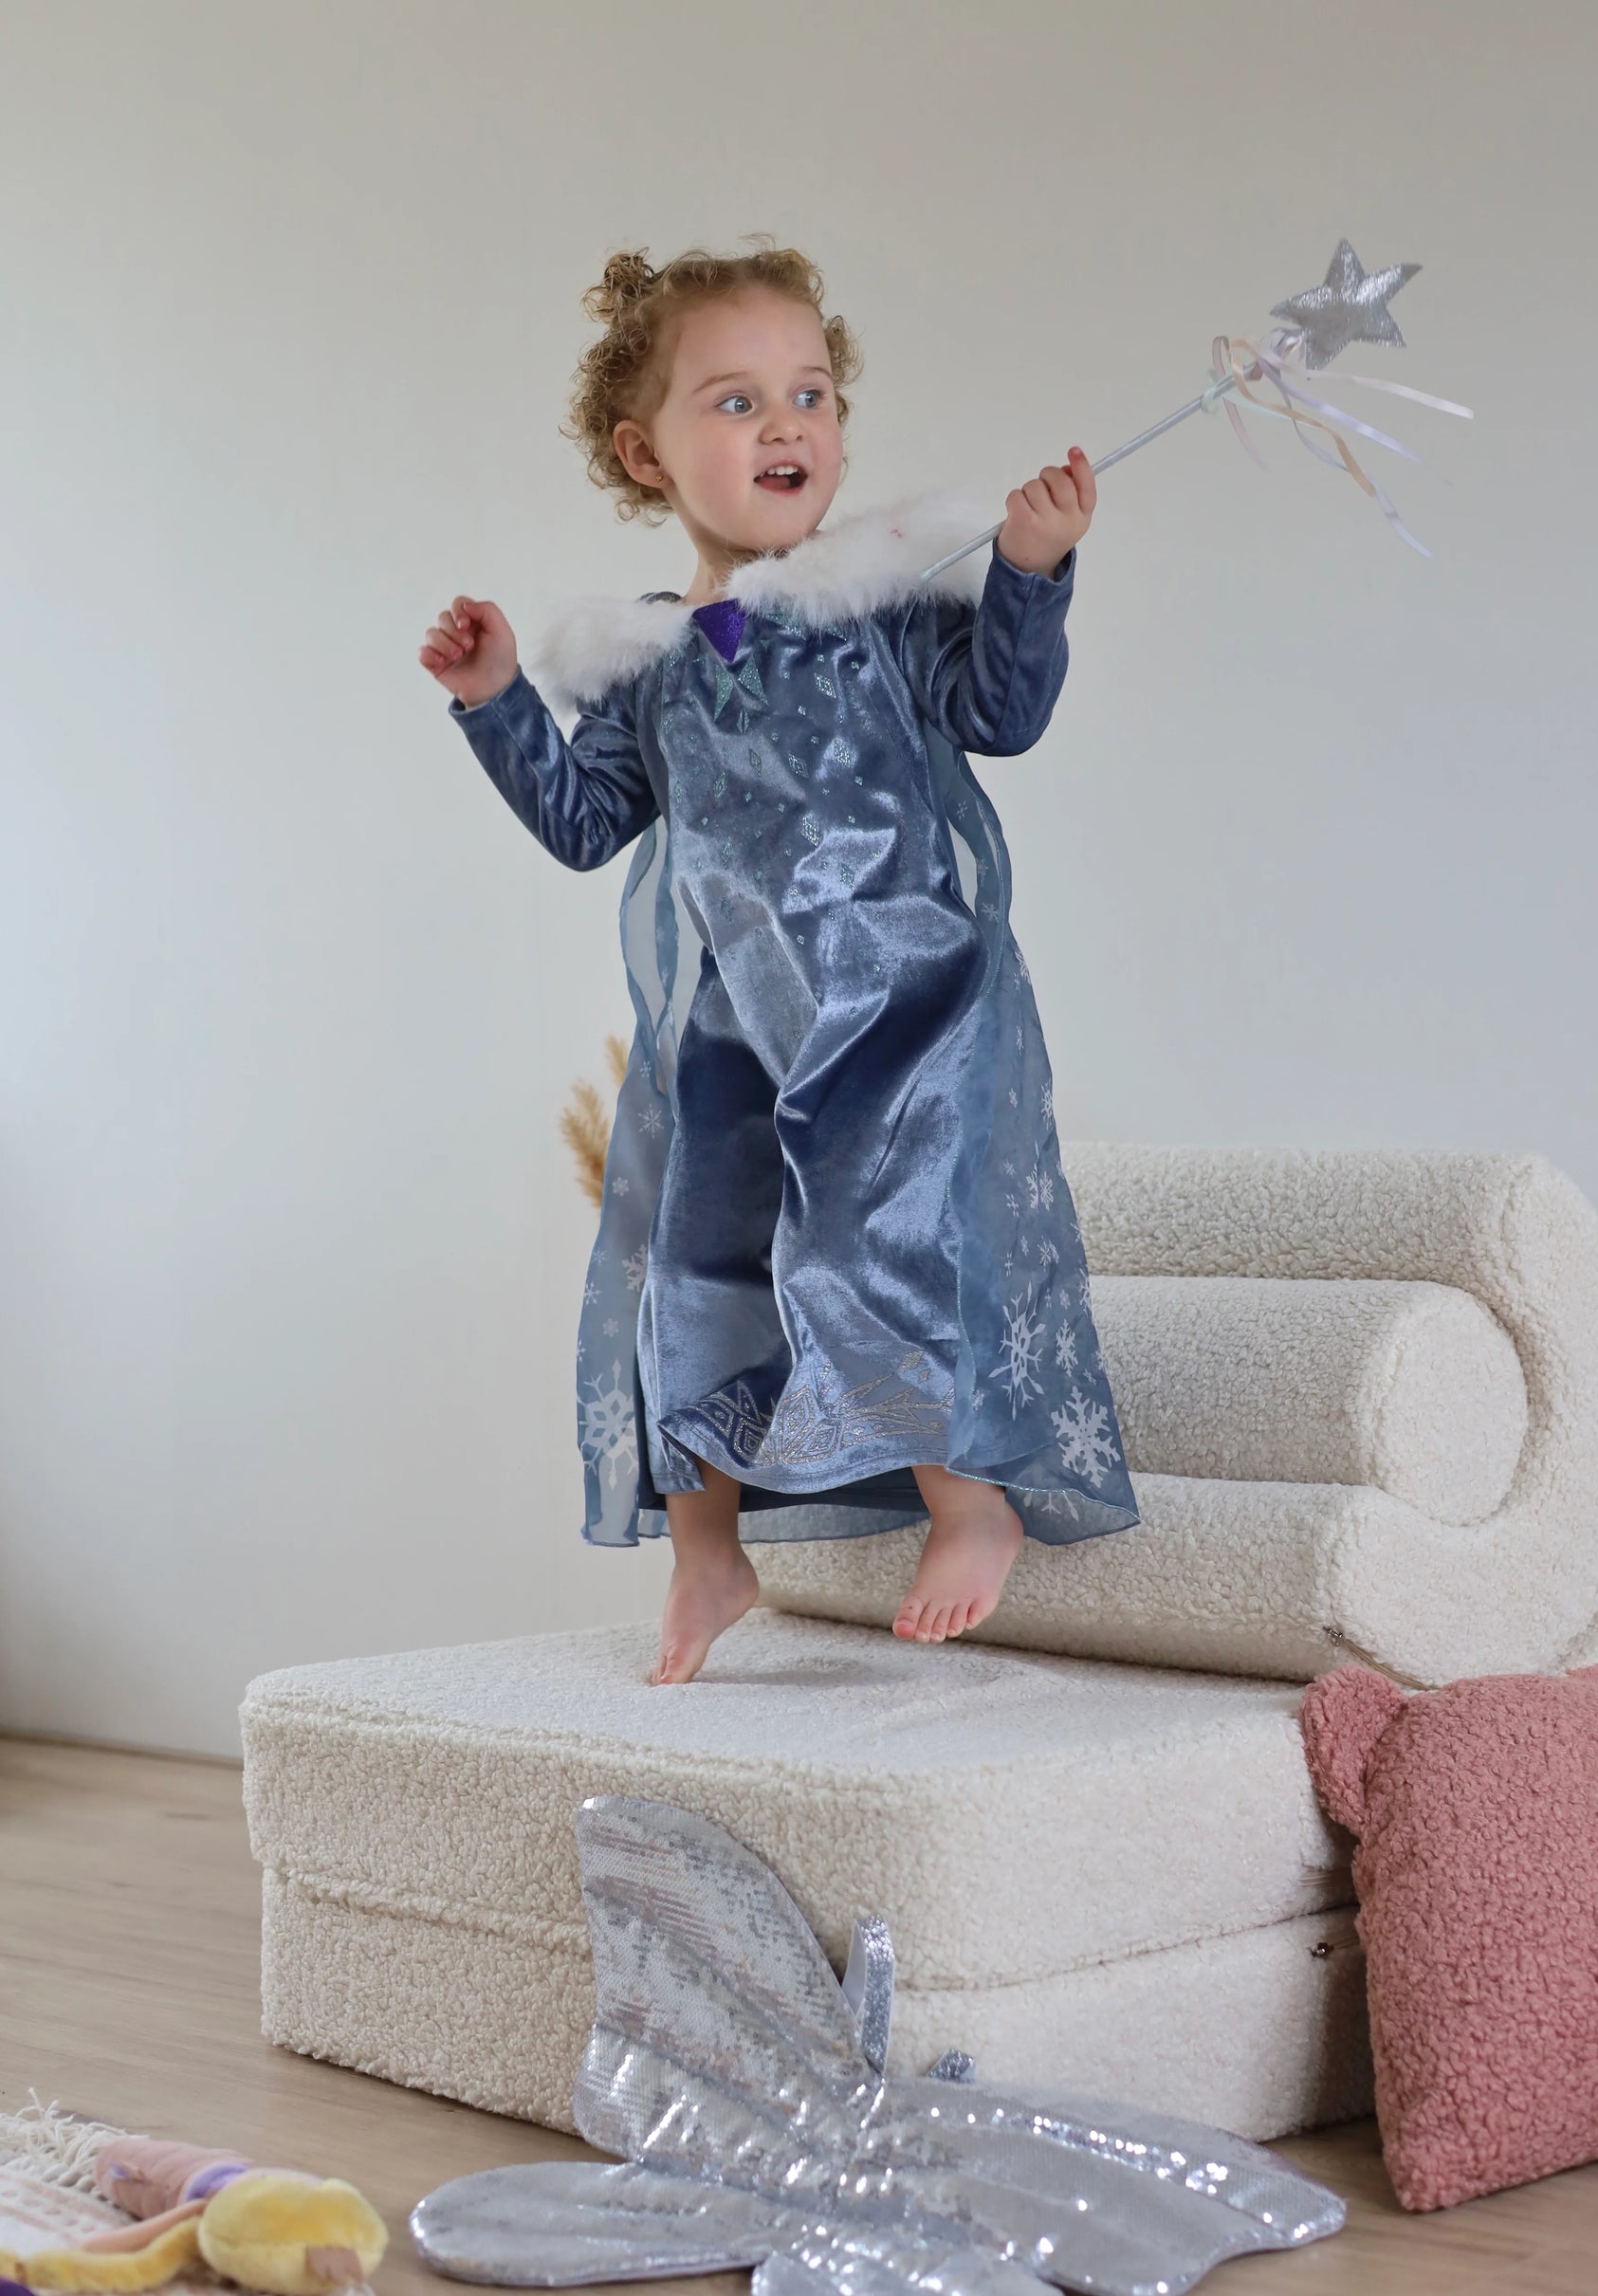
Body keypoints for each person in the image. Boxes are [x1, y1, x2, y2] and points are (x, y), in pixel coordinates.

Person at [420, 242, 1140, 1685]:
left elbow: (999, 715)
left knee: (880, 1245)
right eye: (737, 402)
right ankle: (706, 1559)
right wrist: (497, 700)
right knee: (687, 1268)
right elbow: (583, 826)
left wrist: (1029, 570)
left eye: (809, 393)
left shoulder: (883, 605)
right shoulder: (651, 662)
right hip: (737, 1032)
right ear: (647, 452)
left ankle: (969, 1500)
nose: (788, 425)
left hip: (906, 1009)